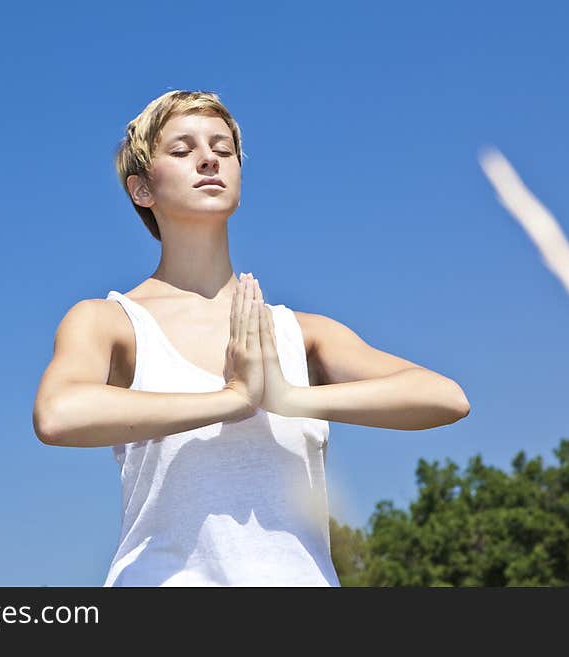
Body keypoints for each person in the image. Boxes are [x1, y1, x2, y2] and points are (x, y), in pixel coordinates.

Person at [32, 90, 471, 586]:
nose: (208, 159)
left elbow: (445, 397)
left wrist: (287, 397)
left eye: (223, 149)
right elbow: (58, 414)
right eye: (182, 150)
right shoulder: (109, 321)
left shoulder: (299, 332)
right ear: (142, 190)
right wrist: (232, 399)